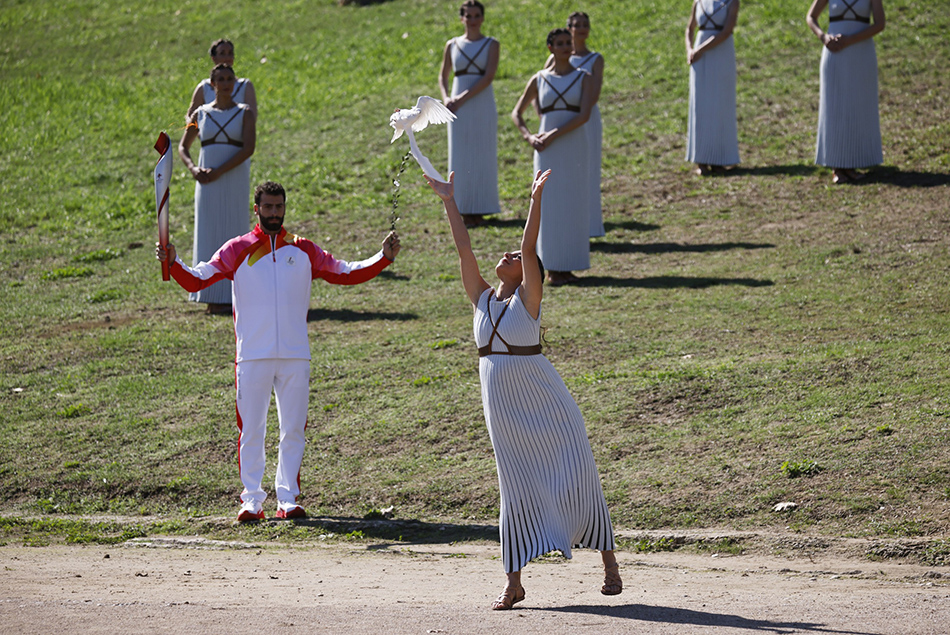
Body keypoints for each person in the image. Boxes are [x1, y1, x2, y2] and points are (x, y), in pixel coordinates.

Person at [424, 169, 621, 610]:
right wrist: (448, 200)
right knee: (513, 489)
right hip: (506, 418)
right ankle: (514, 583)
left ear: (531, 274)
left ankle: (609, 564)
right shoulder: (481, 299)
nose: (510, 253)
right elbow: (463, 247)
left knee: (578, 478)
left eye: (516, 256)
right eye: (508, 253)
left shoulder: (528, 302)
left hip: (550, 408)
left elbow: (530, 246)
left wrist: (535, 200)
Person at [156, 181, 401, 521]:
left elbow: (344, 272)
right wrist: (174, 261)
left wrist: (382, 259)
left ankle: (287, 499)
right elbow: (198, 280)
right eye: (268, 207)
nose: (274, 213)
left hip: (294, 355)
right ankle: (251, 501)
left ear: (284, 208)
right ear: (256, 209)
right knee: (252, 430)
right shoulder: (237, 249)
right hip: (253, 355)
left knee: (293, 430)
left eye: (278, 207)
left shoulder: (302, 250)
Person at [512, 29, 594, 286]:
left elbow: (583, 116)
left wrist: (553, 134)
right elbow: (517, 114)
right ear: (550, 48)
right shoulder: (539, 79)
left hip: (573, 146)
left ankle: (569, 265)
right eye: (559, 44)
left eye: (568, 43)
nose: (565, 47)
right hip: (546, 150)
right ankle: (551, 268)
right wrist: (530, 137)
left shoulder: (584, 78)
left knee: (574, 200)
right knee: (548, 203)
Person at [179, 64, 256, 314]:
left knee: (234, 230)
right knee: (208, 231)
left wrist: (221, 170)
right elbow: (183, 146)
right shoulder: (199, 114)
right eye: (220, 80)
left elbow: (248, 148)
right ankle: (210, 293)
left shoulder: (244, 113)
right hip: (206, 184)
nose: (225, 84)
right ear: (212, 85)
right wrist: (193, 169)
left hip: (233, 180)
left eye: (229, 79)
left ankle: (235, 294)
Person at [438, 0, 502, 228]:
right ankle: (463, 208)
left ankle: (482, 207)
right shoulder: (452, 45)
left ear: (482, 18)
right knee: (460, 153)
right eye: (469, 16)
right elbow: (443, 76)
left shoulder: (491, 44)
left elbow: (488, 77)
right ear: (462, 18)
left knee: (483, 153)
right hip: (455, 107)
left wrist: (461, 99)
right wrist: (447, 98)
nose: (473, 20)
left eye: (477, 16)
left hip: (481, 103)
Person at [807, 0, 886, 184]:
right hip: (834, 53)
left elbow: (880, 23)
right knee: (834, 106)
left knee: (858, 105)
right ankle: (837, 166)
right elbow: (811, 17)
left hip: (861, 53)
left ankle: (853, 163)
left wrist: (850, 40)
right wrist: (823, 37)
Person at [544, 12, 605, 237]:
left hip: (585, 120)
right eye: (576, 25)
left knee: (587, 172)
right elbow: (544, 88)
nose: (581, 29)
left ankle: (589, 227)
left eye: (584, 25)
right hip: (558, 122)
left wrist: (576, 115)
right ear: (568, 28)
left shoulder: (595, 59)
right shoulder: (555, 58)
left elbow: (593, 95)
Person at [685, 0, 741, 175]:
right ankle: (701, 160)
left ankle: (720, 159)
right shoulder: (699, 2)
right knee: (700, 105)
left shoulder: (732, 2)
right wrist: (690, 50)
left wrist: (700, 49)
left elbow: (727, 31)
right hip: (699, 59)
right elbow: (689, 28)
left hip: (721, 54)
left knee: (721, 104)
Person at [186, 38, 258, 121]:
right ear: (214, 58)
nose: (227, 57)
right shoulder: (204, 87)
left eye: (230, 53)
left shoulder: (245, 86)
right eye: (222, 53)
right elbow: (191, 116)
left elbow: (252, 117)